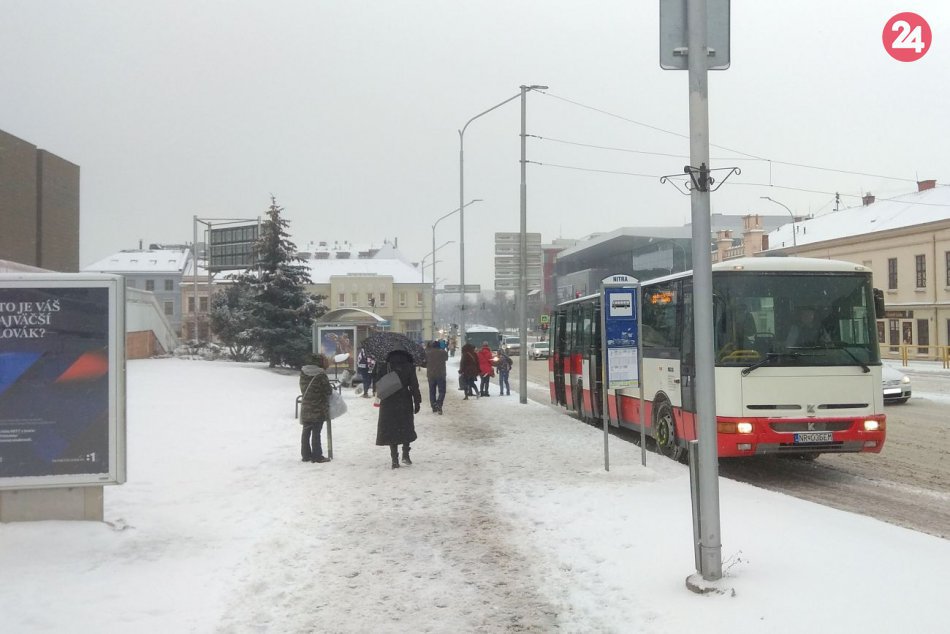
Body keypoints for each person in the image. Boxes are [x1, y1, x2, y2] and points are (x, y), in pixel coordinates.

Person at [375, 348, 421, 469]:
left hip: (388, 401)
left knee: (391, 428)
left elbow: (377, 382)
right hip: (404, 400)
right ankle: (406, 454)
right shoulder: (409, 366)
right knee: (405, 426)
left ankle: (394, 459)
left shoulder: (385, 366)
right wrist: (417, 401)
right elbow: (414, 385)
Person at [299, 354, 332, 463]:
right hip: (318, 407)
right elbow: (328, 391)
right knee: (316, 432)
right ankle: (317, 456)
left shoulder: (303, 373)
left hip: (306, 406)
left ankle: (305, 455)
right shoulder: (320, 375)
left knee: (306, 431)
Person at [425, 340, 448, 414]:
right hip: (441, 374)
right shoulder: (443, 352)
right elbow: (446, 358)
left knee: (432, 391)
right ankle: (439, 404)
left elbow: (424, 362)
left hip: (431, 375)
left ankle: (433, 407)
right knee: (442, 391)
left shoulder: (427, 353)